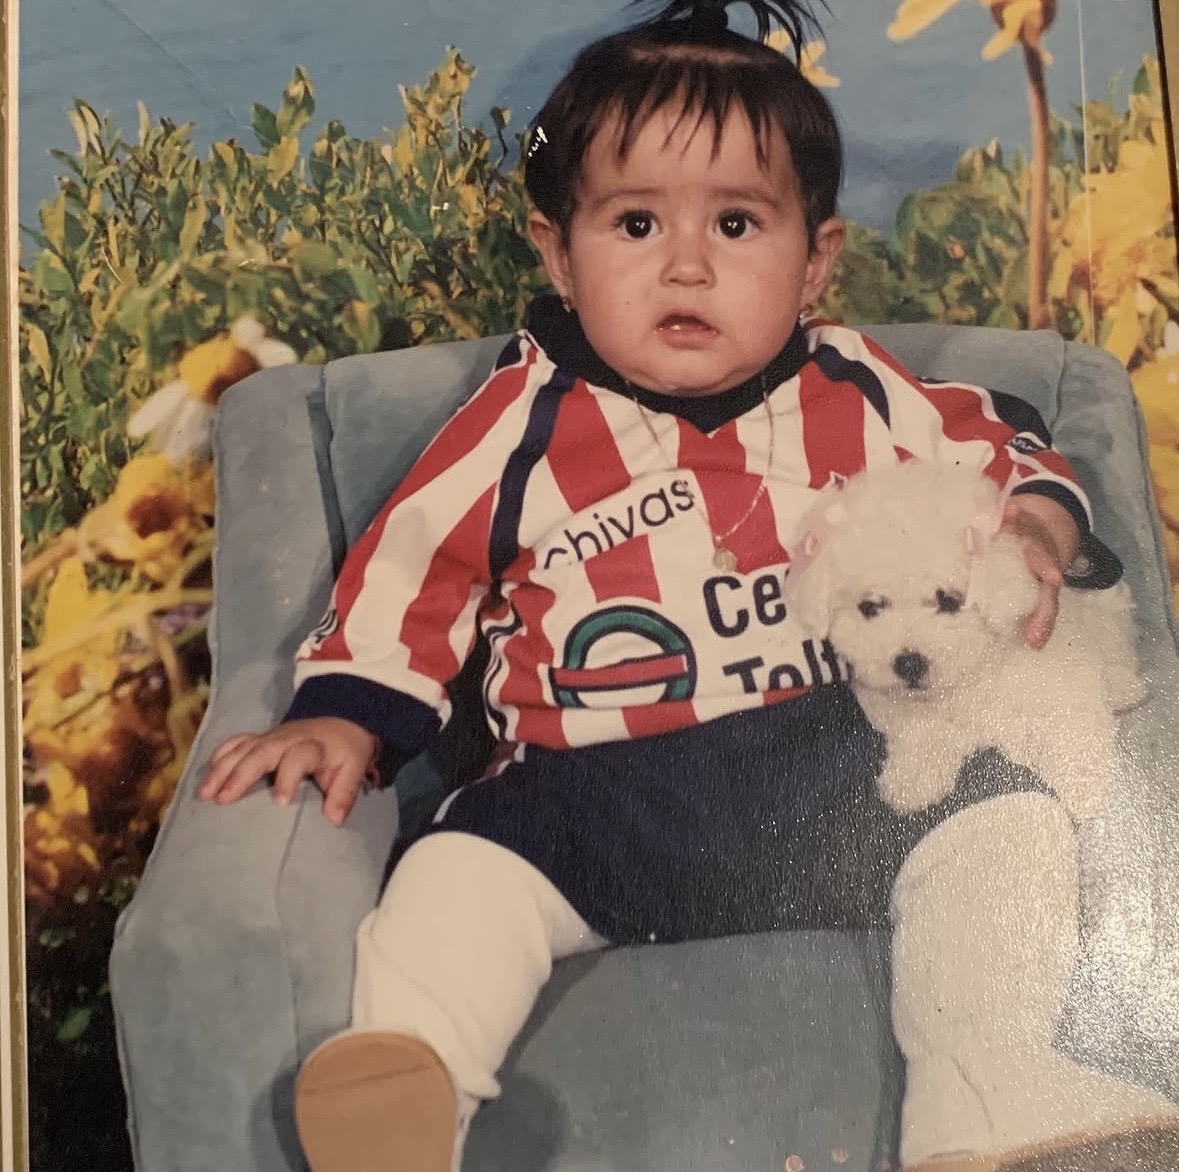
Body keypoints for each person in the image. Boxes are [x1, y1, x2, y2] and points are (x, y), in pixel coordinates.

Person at [198, 1, 1179, 1168]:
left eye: (737, 222)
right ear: (559, 253)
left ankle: (988, 1097)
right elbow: (413, 570)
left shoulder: (857, 389)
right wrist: (345, 713)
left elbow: (998, 437)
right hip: (591, 795)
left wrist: (1036, 516)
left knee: (1002, 813)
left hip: (837, 764)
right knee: (457, 875)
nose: (687, 263)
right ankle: (410, 1080)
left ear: (816, 261)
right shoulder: (517, 426)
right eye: (634, 222)